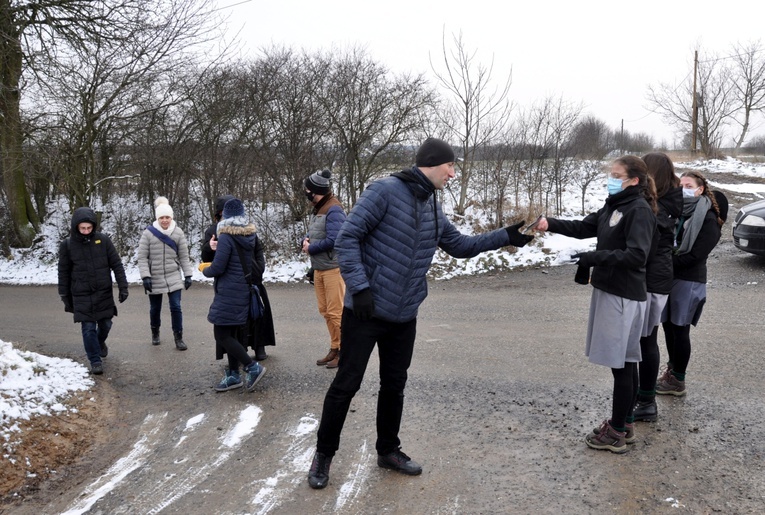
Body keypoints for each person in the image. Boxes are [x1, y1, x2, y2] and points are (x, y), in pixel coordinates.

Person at [307, 137, 534, 489]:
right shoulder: (383, 191)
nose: (453, 173)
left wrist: (505, 235)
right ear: (432, 163)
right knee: (346, 385)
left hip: (404, 313)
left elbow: (459, 246)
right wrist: (360, 287)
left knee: (394, 385)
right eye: (451, 166)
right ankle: (323, 455)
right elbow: (347, 239)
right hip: (365, 312)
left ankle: (388, 450)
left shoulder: (431, 204)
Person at [535, 155, 657, 454]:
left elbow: (637, 256)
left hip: (623, 295)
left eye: (617, 175)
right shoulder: (614, 205)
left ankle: (616, 431)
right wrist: (549, 223)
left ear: (634, 180)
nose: (611, 179)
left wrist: (593, 257)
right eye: (611, 174)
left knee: (622, 366)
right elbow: (583, 227)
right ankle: (624, 423)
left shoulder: (638, 210)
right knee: (625, 363)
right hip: (612, 290)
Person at [656, 170, 724, 397]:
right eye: (680, 185)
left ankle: (678, 381)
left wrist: (663, 261)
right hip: (669, 277)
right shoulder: (675, 212)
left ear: (700, 189)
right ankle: (672, 371)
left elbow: (696, 255)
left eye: (688, 185)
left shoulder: (708, 218)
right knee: (667, 326)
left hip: (689, 279)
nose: (683, 189)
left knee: (680, 329)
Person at [631, 153, 683, 422]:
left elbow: (641, 249)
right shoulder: (667, 200)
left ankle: (646, 400)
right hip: (656, 278)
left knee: (645, 340)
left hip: (651, 280)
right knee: (645, 339)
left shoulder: (658, 208)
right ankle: (643, 397)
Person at [200, 197, 267, 392]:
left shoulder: (227, 237)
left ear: (225, 216)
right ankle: (233, 375)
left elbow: (218, 267)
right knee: (231, 333)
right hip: (242, 290)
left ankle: (251, 367)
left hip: (229, 292)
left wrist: (204, 269)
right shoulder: (249, 235)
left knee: (221, 333)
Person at [58, 207, 129, 375]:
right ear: (76, 227)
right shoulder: (67, 245)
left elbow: (116, 265)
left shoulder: (103, 240)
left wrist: (123, 286)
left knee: (106, 324)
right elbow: (63, 272)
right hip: (81, 293)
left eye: (89, 228)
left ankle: (99, 343)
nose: (86, 231)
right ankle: (95, 360)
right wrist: (64, 295)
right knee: (88, 328)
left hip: (103, 291)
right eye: (82, 228)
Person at [301, 169, 347, 369]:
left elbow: (337, 240)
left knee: (337, 313)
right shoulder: (319, 207)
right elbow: (318, 234)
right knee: (326, 311)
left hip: (333, 269)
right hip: (320, 268)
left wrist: (312, 248)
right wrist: (305, 240)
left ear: (314, 191)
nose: (305, 192)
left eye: (307, 189)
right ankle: (334, 348)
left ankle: (345, 352)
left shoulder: (333, 209)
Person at [136, 196, 194, 350]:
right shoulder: (148, 233)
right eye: (162, 217)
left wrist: (188, 275)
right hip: (154, 276)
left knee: (176, 307)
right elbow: (141, 257)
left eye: (167, 217)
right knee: (155, 308)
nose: (165, 220)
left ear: (171, 217)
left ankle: (178, 338)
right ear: (157, 218)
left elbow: (183, 256)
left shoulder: (178, 232)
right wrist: (145, 276)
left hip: (173, 275)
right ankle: (155, 332)